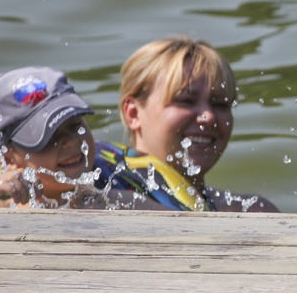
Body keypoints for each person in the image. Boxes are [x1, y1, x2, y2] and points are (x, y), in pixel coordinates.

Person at [0, 66, 170, 209]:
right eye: (48, 137)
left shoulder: (123, 202)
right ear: (8, 159)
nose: (71, 141)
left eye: (75, 125)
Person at [119, 36, 279, 212]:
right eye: (186, 101)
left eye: (220, 104)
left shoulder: (252, 211)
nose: (209, 116)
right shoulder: (106, 203)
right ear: (133, 114)